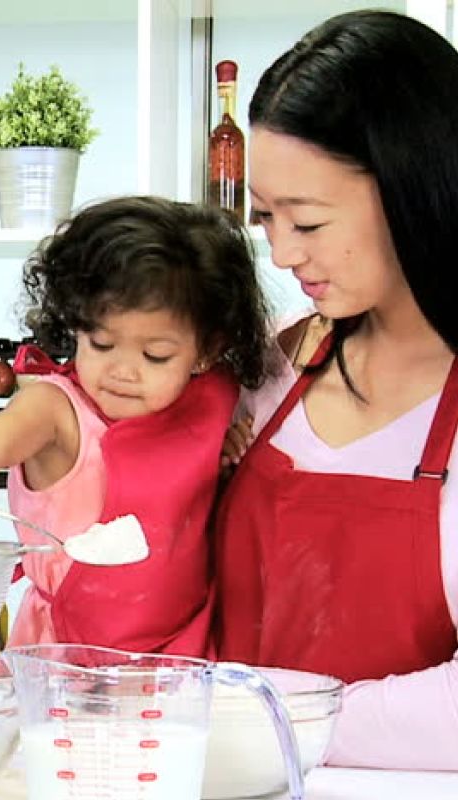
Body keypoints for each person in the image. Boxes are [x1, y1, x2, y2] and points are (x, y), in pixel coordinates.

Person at [214, 10, 458, 771]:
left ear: (412, 188)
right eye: (265, 218)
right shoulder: (271, 367)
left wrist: (274, 722)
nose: (282, 252)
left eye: (309, 222)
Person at [0, 196, 272, 654]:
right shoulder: (54, 410)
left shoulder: (213, 398)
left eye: (155, 355)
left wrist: (233, 455)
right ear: (75, 323)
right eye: (101, 344)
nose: (122, 370)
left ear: (206, 351)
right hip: (67, 657)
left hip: (183, 647)